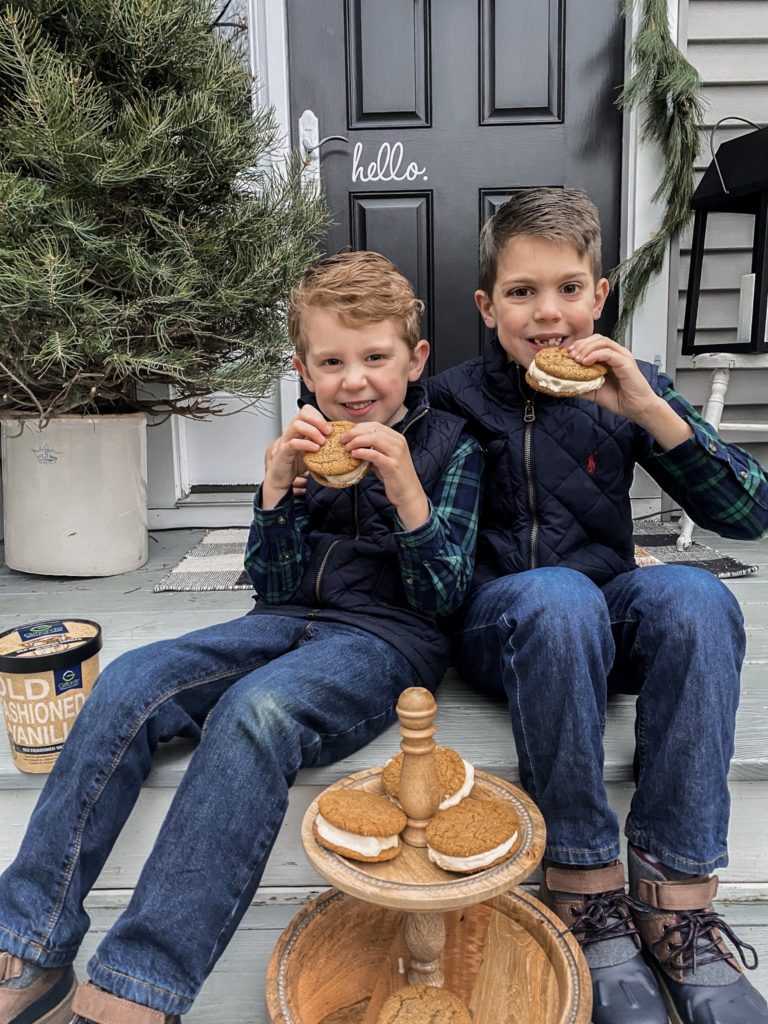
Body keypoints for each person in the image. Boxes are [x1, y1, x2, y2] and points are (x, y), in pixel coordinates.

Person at [0, 251, 483, 1024]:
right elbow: (273, 585)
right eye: (332, 361)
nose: (354, 381)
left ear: (416, 358)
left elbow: (445, 596)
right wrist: (272, 494)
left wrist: (406, 491)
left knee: (256, 712)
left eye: (375, 358)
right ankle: (28, 941)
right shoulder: (303, 442)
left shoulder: (452, 446)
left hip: (388, 641)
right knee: (129, 680)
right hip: (285, 621)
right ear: (304, 368)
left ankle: (138, 984)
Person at [426, 188, 768, 1024]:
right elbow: (426, 552)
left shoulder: (630, 384)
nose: (548, 313)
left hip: (601, 610)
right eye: (521, 292)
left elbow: (749, 515)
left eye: (569, 288)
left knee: (695, 595)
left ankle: (676, 900)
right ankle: (583, 888)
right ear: (486, 304)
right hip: (500, 619)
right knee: (556, 595)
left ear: (600, 295)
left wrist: (648, 411)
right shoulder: (451, 399)